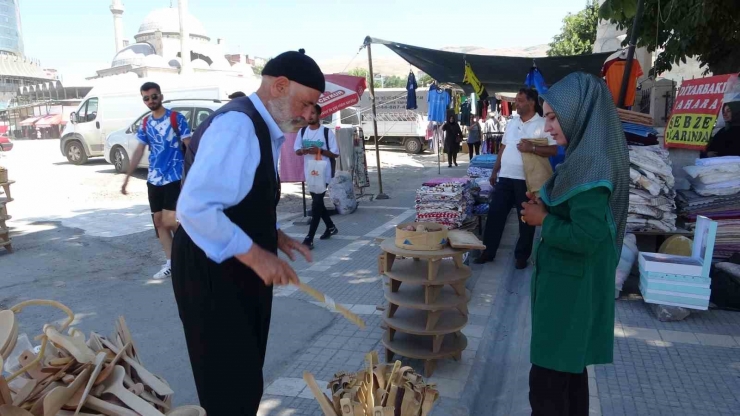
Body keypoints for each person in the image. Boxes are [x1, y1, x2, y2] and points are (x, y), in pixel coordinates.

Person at [171, 49, 322, 415]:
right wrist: (257, 254)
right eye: (305, 104)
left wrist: (274, 234)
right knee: (229, 385)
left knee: (244, 376)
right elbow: (195, 207)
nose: (308, 116)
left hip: (235, 267)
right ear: (279, 86)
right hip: (212, 272)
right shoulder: (238, 126)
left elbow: (239, 198)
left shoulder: (263, 128)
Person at [520, 72, 629, 416]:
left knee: (548, 389)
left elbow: (586, 236)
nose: (548, 127)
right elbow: (579, 214)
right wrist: (549, 203)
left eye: (553, 117)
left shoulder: (592, 167)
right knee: (569, 379)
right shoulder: (586, 158)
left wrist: (543, 220)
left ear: (580, 113)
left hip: (570, 298)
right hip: (567, 291)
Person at [475, 88, 557, 269]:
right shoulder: (512, 123)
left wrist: (532, 149)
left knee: (525, 219)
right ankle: (488, 252)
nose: (516, 103)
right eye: (516, 100)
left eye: (520, 100)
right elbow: (503, 148)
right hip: (505, 177)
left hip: (526, 180)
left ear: (531, 102)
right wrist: (495, 171)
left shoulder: (543, 124)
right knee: (496, 214)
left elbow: (553, 150)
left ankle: (522, 256)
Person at [121, 81, 192, 279]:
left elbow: (191, 147)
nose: (151, 100)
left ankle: (192, 250)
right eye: (146, 98)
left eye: (154, 96)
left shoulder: (176, 118)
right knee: (159, 222)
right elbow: (139, 150)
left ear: (161, 95)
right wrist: (126, 178)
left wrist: (194, 175)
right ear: (143, 100)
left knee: (170, 221)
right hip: (154, 179)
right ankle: (171, 263)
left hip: (174, 176)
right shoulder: (146, 123)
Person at [294, 103, 339, 249]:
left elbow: (335, 153)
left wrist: (319, 150)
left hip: (323, 173)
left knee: (316, 204)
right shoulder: (302, 132)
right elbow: (296, 150)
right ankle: (331, 227)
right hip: (310, 172)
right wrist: (303, 151)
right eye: (307, 113)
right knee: (318, 203)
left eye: (313, 113)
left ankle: (309, 238)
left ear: (319, 115)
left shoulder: (326, 132)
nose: (310, 116)